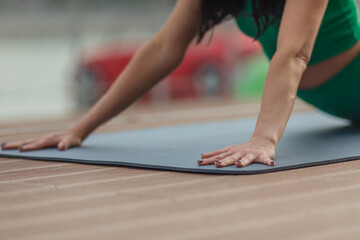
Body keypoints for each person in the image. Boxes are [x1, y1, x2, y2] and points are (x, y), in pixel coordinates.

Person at [2, 0, 360, 168]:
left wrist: (263, 138)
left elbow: (294, 54)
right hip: (342, 104)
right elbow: (162, 49)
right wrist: (80, 128)